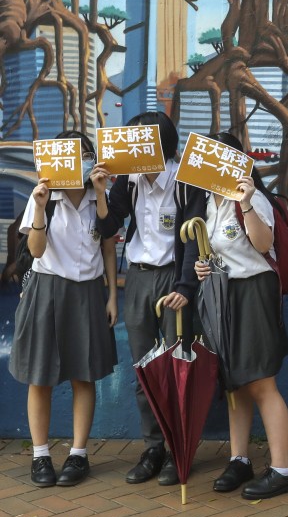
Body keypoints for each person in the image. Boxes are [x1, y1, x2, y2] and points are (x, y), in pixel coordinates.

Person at [94, 111, 201, 486]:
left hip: (174, 280)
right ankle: (153, 447)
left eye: (142, 140)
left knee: (175, 369)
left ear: (163, 144)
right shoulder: (130, 180)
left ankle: (177, 450)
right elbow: (108, 226)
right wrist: (101, 192)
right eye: (131, 140)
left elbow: (192, 240)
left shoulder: (185, 182)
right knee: (144, 370)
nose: (133, 147)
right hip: (138, 279)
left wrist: (186, 288)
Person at [8, 131, 118, 487]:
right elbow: (36, 251)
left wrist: (112, 295)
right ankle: (41, 456)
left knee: (83, 374)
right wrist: (39, 207)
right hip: (47, 289)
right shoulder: (44, 196)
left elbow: (109, 246)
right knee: (40, 376)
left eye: (86, 153)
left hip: (88, 291)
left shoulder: (100, 195)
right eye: (71, 154)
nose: (80, 160)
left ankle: (78, 454)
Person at [193, 132, 288, 500]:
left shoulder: (253, 199)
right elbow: (215, 247)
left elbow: (264, 245)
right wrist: (202, 267)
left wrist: (248, 202)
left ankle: (283, 469)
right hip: (224, 294)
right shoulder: (210, 200)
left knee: (261, 383)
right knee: (234, 383)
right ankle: (240, 459)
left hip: (254, 292)